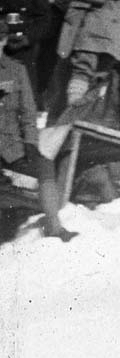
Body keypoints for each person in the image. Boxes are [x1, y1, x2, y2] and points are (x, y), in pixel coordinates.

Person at [0, 19, 75, 241]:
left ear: (4, 40)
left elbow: (29, 114)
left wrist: (31, 143)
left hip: (12, 147)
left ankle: (55, 227)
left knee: (44, 165)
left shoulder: (16, 70)